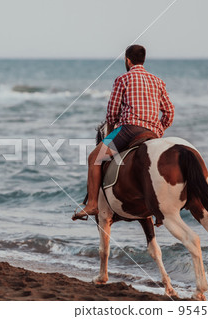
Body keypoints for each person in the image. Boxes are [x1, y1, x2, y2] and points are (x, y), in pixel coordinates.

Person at [73, 44, 175, 220]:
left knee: (94, 158)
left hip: (129, 130)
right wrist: (159, 130)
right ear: (143, 60)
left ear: (127, 60)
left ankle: (91, 205)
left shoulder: (123, 79)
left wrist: (112, 132)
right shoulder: (157, 81)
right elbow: (169, 112)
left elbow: (112, 113)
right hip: (152, 132)